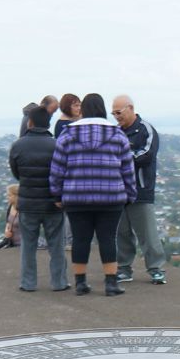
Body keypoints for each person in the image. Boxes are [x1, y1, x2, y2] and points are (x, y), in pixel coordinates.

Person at [50, 93, 135, 296]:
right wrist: (130, 194)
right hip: (111, 197)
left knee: (80, 239)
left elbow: (57, 168)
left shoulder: (67, 136)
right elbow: (127, 169)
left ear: (84, 111)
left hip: (76, 197)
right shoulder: (117, 135)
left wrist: (57, 195)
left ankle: (80, 283)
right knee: (108, 239)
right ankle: (111, 283)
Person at [10, 105, 70, 292]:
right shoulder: (57, 145)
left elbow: (16, 173)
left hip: (28, 202)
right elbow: (63, 172)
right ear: (48, 123)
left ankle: (28, 283)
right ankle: (59, 282)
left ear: (30, 122)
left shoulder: (18, 145)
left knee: (28, 246)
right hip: (53, 203)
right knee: (56, 246)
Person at [111, 94, 166, 284]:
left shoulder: (146, 130)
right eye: (113, 113)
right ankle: (124, 268)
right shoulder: (115, 132)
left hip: (140, 189)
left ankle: (156, 268)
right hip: (118, 191)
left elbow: (147, 154)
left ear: (130, 108)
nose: (116, 116)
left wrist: (122, 159)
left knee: (147, 233)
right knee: (122, 232)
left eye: (118, 112)